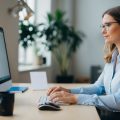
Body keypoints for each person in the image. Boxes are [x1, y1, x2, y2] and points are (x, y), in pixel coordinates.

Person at [47, 6, 120, 116]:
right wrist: (69, 92)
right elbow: (99, 87)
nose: (103, 31)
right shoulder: (113, 56)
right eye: (102, 26)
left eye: (108, 25)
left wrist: (76, 98)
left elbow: (118, 101)